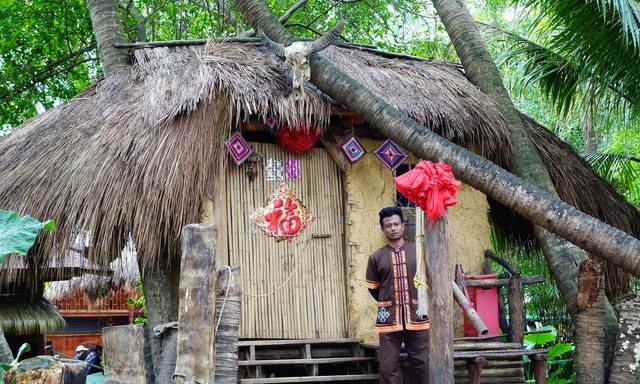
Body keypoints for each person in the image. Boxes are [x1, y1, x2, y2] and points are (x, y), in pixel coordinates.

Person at [366, 207, 429, 384]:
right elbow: (373, 288)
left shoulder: (418, 252)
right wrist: (388, 302)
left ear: (403, 225)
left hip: (418, 315)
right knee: (388, 365)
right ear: (382, 229)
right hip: (388, 319)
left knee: (421, 362)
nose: (392, 228)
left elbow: (429, 281)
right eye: (388, 225)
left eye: (396, 224)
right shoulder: (376, 257)